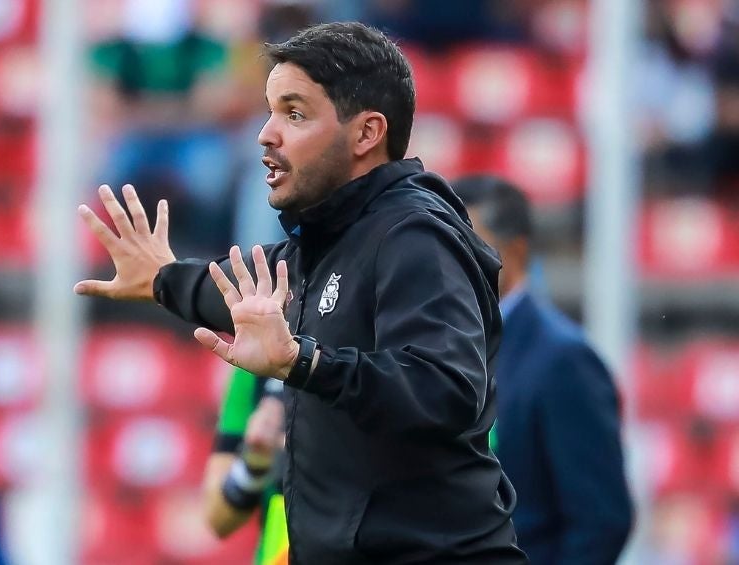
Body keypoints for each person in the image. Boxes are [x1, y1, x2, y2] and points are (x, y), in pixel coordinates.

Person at [75, 22, 527, 564]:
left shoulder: (413, 237)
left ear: (366, 134)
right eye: (269, 111)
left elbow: (445, 389)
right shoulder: (326, 243)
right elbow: (236, 288)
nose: (266, 133)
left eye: (294, 113)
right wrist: (163, 279)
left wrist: (304, 361)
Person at [451, 175, 634, 565]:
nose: (447, 261)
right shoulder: (435, 344)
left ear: (515, 253)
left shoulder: (562, 362)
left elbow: (602, 520)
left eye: (464, 244)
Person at [203, 369, 289, 565]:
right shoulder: (255, 362)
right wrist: (254, 465)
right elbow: (217, 518)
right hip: (279, 556)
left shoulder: (370, 358)